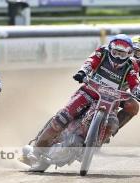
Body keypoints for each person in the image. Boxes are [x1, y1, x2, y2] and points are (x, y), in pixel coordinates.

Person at [28, 34, 140, 162]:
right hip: (90, 91)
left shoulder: (132, 64)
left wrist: (137, 91)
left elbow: (135, 82)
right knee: (63, 116)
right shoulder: (103, 52)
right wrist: (82, 72)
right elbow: (90, 62)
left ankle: (95, 141)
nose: (118, 57)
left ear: (128, 53)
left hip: (115, 97)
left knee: (116, 121)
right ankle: (37, 150)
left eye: (123, 54)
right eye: (116, 52)